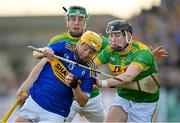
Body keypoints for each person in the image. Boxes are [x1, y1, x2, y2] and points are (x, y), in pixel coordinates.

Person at [14, 5, 168, 122]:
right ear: (67, 21)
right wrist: (24, 87)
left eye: (80, 19)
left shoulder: (98, 41)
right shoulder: (58, 42)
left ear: (85, 22)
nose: (76, 23)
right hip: (69, 99)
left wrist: (147, 57)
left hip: (92, 96)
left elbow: (124, 51)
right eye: (72, 19)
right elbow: (40, 66)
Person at [14, 31, 103, 122]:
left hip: (56, 114)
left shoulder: (90, 69)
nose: (86, 54)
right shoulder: (64, 47)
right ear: (79, 43)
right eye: (85, 48)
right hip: (34, 101)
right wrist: (45, 52)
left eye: (91, 52)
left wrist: (75, 86)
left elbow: (83, 102)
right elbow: (35, 53)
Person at [94, 19, 164, 122]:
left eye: (117, 35)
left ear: (128, 35)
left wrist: (102, 83)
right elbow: (92, 64)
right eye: (111, 35)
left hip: (145, 102)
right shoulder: (109, 51)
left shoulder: (143, 52)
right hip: (124, 96)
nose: (113, 39)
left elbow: (128, 77)